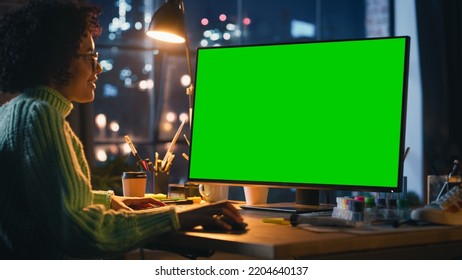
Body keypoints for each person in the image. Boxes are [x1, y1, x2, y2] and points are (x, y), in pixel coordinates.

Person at [0, 0, 243, 259]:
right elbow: (82, 232)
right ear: (58, 59)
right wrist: (178, 217)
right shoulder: (41, 115)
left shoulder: (12, 112)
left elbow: (45, 199)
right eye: (90, 56)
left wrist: (108, 201)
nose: (99, 67)